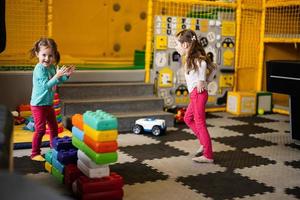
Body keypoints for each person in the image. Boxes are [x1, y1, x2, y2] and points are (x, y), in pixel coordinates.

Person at [29, 38, 75, 161]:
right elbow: (46, 85)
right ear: (37, 54)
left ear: (54, 56)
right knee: (40, 129)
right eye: (44, 55)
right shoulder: (39, 69)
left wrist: (66, 76)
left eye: (50, 55)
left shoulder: (51, 67)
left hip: (48, 103)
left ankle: (53, 147)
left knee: (54, 127)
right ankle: (34, 153)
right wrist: (57, 75)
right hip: (38, 104)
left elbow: (58, 81)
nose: (47, 58)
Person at [175, 29, 217, 163]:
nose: (176, 47)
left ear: (186, 45)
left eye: (177, 44)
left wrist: (202, 80)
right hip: (195, 95)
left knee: (200, 123)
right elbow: (214, 67)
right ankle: (203, 143)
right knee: (187, 118)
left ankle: (208, 155)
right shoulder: (189, 57)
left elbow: (205, 64)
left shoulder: (194, 58)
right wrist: (206, 80)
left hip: (198, 94)